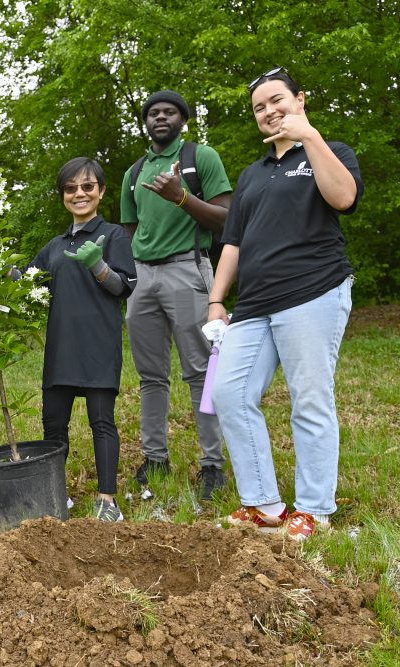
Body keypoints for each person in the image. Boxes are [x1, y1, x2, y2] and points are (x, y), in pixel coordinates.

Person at [209, 67, 362, 541]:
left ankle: (314, 510)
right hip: (254, 303)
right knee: (229, 394)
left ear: (300, 100)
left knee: (309, 398)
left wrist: (309, 137)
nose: (269, 111)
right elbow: (233, 242)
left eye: (277, 101)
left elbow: (343, 197)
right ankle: (264, 505)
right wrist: (216, 300)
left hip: (313, 290)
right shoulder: (252, 175)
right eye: (259, 107)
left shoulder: (331, 151)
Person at [119, 89, 233, 501]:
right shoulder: (134, 172)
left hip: (189, 269)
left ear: (183, 120)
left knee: (201, 373)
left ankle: (212, 466)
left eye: (169, 112)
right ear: (145, 122)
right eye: (153, 113)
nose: (160, 117)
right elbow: (131, 231)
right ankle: (155, 458)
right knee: (151, 376)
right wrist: (138, 270)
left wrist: (181, 197)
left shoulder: (200, 159)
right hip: (144, 278)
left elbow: (226, 219)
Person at [30, 158, 137, 521]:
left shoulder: (114, 235)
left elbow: (123, 287)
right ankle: (57, 495)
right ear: (63, 195)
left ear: (101, 191)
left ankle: (108, 501)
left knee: (101, 421)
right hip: (61, 346)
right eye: (71, 188)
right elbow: (29, 285)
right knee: (53, 423)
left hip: (98, 345)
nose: (80, 193)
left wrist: (98, 266)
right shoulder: (55, 246)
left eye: (87, 186)